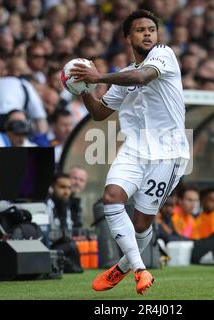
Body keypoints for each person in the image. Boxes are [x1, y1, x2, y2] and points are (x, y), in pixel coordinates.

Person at [70, 10, 190, 294]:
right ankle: (139, 269)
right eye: (140, 30)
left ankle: (123, 266)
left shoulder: (164, 55)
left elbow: (141, 77)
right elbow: (99, 113)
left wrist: (98, 76)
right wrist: (84, 89)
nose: (148, 34)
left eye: (151, 29)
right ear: (128, 37)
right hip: (134, 150)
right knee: (111, 196)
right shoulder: (123, 75)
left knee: (140, 224)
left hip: (168, 153)